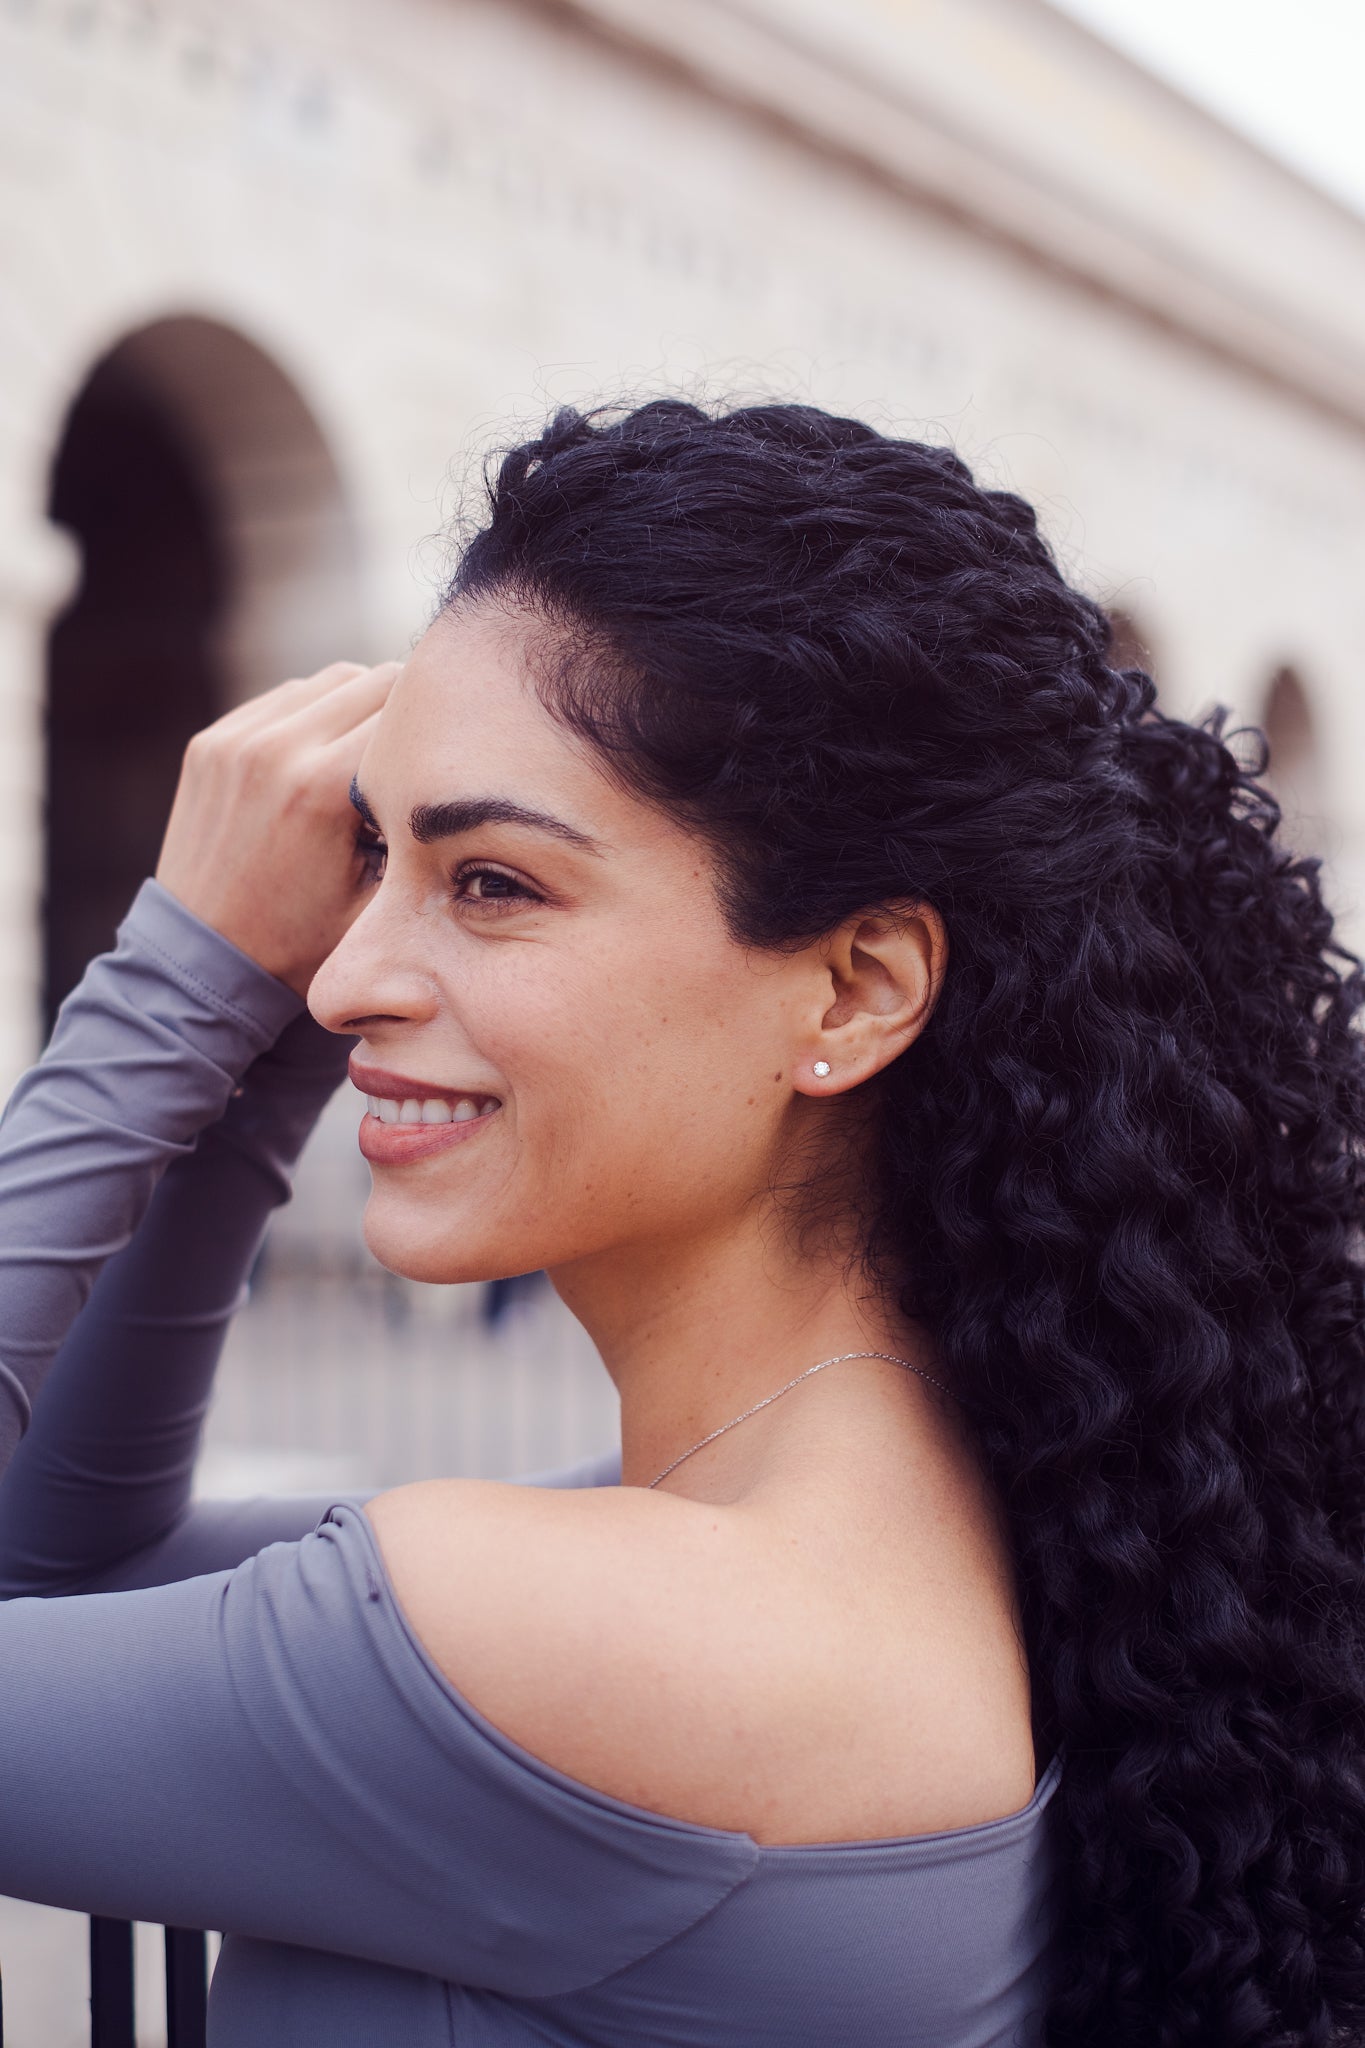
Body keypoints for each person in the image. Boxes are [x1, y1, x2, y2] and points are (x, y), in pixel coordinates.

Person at [0, 399, 1361, 2048]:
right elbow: (61, 1573)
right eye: (370, 868)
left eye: (490, 882)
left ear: (855, 990)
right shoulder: (937, 1507)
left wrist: (174, 981)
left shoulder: (610, 1642)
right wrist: (251, 1041)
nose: (345, 974)